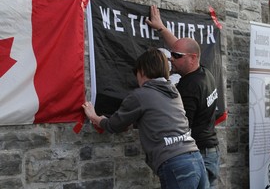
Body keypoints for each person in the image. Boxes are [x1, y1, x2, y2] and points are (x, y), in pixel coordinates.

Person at [82, 48, 207, 189]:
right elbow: (156, 116)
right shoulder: (173, 92)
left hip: (174, 163)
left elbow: (114, 125)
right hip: (195, 157)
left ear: (142, 71)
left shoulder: (140, 95)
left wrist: (94, 116)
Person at [146, 5, 220, 188]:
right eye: (171, 54)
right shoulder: (204, 72)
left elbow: (180, 127)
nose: (171, 58)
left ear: (192, 58)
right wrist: (162, 28)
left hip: (199, 156)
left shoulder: (189, 87)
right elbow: (181, 48)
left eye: (176, 56)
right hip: (210, 152)